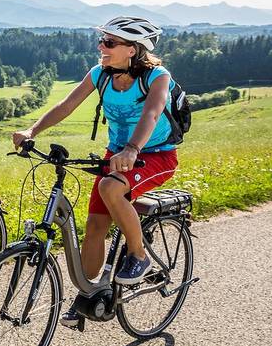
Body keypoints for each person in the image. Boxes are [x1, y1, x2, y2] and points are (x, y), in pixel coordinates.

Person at [12, 16, 179, 328]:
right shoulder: (100, 74)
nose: (101, 46)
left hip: (154, 155)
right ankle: (91, 291)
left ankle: (139, 254)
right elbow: (66, 105)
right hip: (117, 155)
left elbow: (153, 112)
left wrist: (132, 148)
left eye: (109, 42)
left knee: (110, 189)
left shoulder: (157, 76)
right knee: (94, 226)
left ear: (133, 50)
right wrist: (32, 128)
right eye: (102, 40)